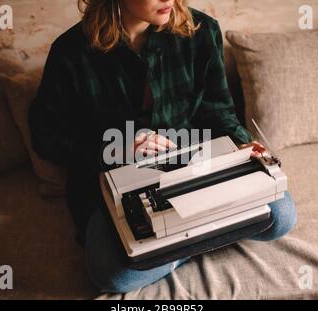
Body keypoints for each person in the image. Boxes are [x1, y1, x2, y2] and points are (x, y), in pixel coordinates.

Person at [28, 0, 297, 293]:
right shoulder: (70, 51)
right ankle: (204, 237)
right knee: (113, 276)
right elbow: (46, 137)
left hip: (192, 165)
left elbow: (218, 113)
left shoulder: (203, 31)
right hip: (114, 178)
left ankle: (172, 247)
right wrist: (114, 148)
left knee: (281, 216)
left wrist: (242, 143)